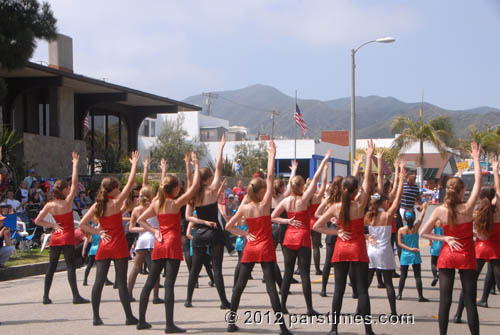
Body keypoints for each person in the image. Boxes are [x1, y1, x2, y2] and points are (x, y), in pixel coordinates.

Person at [225, 141, 291, 335]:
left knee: (239, 286)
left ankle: (231, 322)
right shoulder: (264, 205)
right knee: (271, 289)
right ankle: (282, 327)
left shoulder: (245, 207)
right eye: (264, 189)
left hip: (250, 247)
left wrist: (245, 233)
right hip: (265, 248)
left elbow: (230, 226)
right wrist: (272, 155)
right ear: (261, 190)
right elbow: (270, 177)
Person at [313, 140, 376, 335]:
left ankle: (334, 328)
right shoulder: (359, 204)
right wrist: (368, 157)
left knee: (338, 290)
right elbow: (366, 183)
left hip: (341, 246)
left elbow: (316, 225)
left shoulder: (335, 207)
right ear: (356, 190)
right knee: (362, 291)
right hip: (357, 247)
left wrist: (336, 232)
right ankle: (368, 330)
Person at [420, 142, 482, 335]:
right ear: (463, 190)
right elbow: (479, 183)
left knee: (445, 300)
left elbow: (423, 233)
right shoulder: (468, 208)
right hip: (466, 254)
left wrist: (445, 238)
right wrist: (476, 160)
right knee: (470, 301)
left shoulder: (441, 210)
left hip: (448, 254)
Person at [135, 152, 200, 332]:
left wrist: (155, 230)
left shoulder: (157, 203)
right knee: (169, 284)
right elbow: (195, 187)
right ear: (175, 189)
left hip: (159, 242)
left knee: (150, 282)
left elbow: (140, 219)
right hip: (172, 243)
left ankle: (141, 321)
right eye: (178, 186)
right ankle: (169, 324)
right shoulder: (175, 203)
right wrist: (195, 164)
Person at [79, 151, 140, 326]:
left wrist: (98, 232)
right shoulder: (115, 203)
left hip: (104, 245)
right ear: (112, 189)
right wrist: (134, 164)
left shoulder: (97, 206)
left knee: (98, 281)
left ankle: (96, 317)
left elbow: (82, 224)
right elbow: (130, 184)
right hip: (119, 244)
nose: (120, 189)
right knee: (121, 281)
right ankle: (129, 316)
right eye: (117, 187)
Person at [271, 150, 331, 315]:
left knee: (288, 272)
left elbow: (272, 217)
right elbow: (317, 180)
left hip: (289, 237)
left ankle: (282, 305)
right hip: (303, 237)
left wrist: (287, 221)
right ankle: (309, 308)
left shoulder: (286, 200)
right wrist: (324, 160)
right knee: (304, 274)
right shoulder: (304, 200)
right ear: (301, 186)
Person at [34, 152, 89, 305]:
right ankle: (75, 296)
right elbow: (75, 182)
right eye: (67, 188)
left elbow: (38, 220)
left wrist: (52, 225)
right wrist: (75, 165)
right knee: (70, 266)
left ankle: (45, 296)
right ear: (64, 190)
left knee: (51, 266)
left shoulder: (50, 205)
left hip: (56, 236)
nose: (69, 190)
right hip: (67, 236)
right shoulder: (67, 202)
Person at [185, 136, 231, 308]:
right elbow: (219, 167)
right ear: (208, 178)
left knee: (194, 269)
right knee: (217, 268)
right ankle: (223, 301)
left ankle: (188, 300)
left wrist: (202, 221)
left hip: (199, 234)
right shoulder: (212, 191)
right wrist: (220, 149)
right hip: (214, 233)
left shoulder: (193, 194)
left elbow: (188, 217)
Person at [365, 163, 405, 317]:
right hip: (384, 251)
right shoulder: (387, 216)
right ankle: (393, 312)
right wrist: (400, 181)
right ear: (383, 202)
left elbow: (357, 229)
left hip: (371, 250)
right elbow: (397, 199)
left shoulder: (369, 216)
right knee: (388, 283)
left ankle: (359, 310)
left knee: (366, 284)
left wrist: (367, 236)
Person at [127, 184, 163, 304]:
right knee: (155, 267)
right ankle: (155, 295)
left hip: (142, 238)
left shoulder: (136, 209)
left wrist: (143, 229)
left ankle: (129, 293)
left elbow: (131, 228)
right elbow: (160, 191)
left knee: (136, 266)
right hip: (154, 236)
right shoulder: (153, 205)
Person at [315, 176, 343, 297]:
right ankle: (352, 290)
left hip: (331, 230)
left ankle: (323, 288)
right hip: (340, 230)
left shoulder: (329, 199)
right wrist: (331, 218)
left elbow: (317, 213)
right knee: (341, 263)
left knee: (328, 261)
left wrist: (328, 218)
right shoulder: (344, 199)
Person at [396, 202, 429, 302]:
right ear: (414, 218)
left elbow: (400, 243)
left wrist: (409, 249)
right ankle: (420, 296)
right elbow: (422, 217)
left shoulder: (401, 230)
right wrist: (424, 208)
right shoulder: (415, 228)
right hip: (415, 254)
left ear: (404, 218)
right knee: (417, 276)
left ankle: (399, 294)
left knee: (403, 275)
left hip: (405, 254)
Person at [308, 166, 328, 276]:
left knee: (303, 247)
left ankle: (299, 267)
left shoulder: (304, 198)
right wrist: (325, 170)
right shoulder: (317, 197)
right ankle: (317, 268)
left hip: (306, 223)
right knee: (315, 247)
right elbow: (324, 184)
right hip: (316, 222)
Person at [429, 219, 444, 287]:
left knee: (433, 262)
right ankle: (441, 276)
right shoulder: (445, 221)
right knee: (441, 263)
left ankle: (435, 276)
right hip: (443, 243)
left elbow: (428, 231)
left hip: (436, 243)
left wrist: (430, 240)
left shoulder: (435, 222)